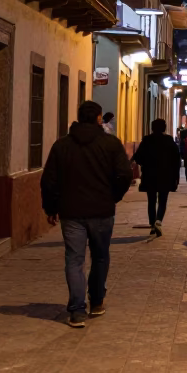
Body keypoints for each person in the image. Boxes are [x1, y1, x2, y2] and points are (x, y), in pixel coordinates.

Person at [40, 100, 132, 328]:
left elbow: (48, 181)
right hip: (102, 210)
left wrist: (51, 208)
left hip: (71, 212)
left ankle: (77, 311)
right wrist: (113, 196)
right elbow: (124, 174)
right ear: (99, 118)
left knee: (74, 259)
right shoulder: (111, 144)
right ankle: (97, 301)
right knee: (100, 256)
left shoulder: (61, 146)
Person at [133, 118, 181, 237]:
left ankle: (152, 224)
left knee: (151, 200)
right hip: (166, 175)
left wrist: (146, 163)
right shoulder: (169, 140)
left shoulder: (147, 140)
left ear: (152, 128)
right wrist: (176, 176)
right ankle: (158, 220)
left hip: (150, 175)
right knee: (163, 200)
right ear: (164, 128)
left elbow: (138, 157)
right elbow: (176, 159)